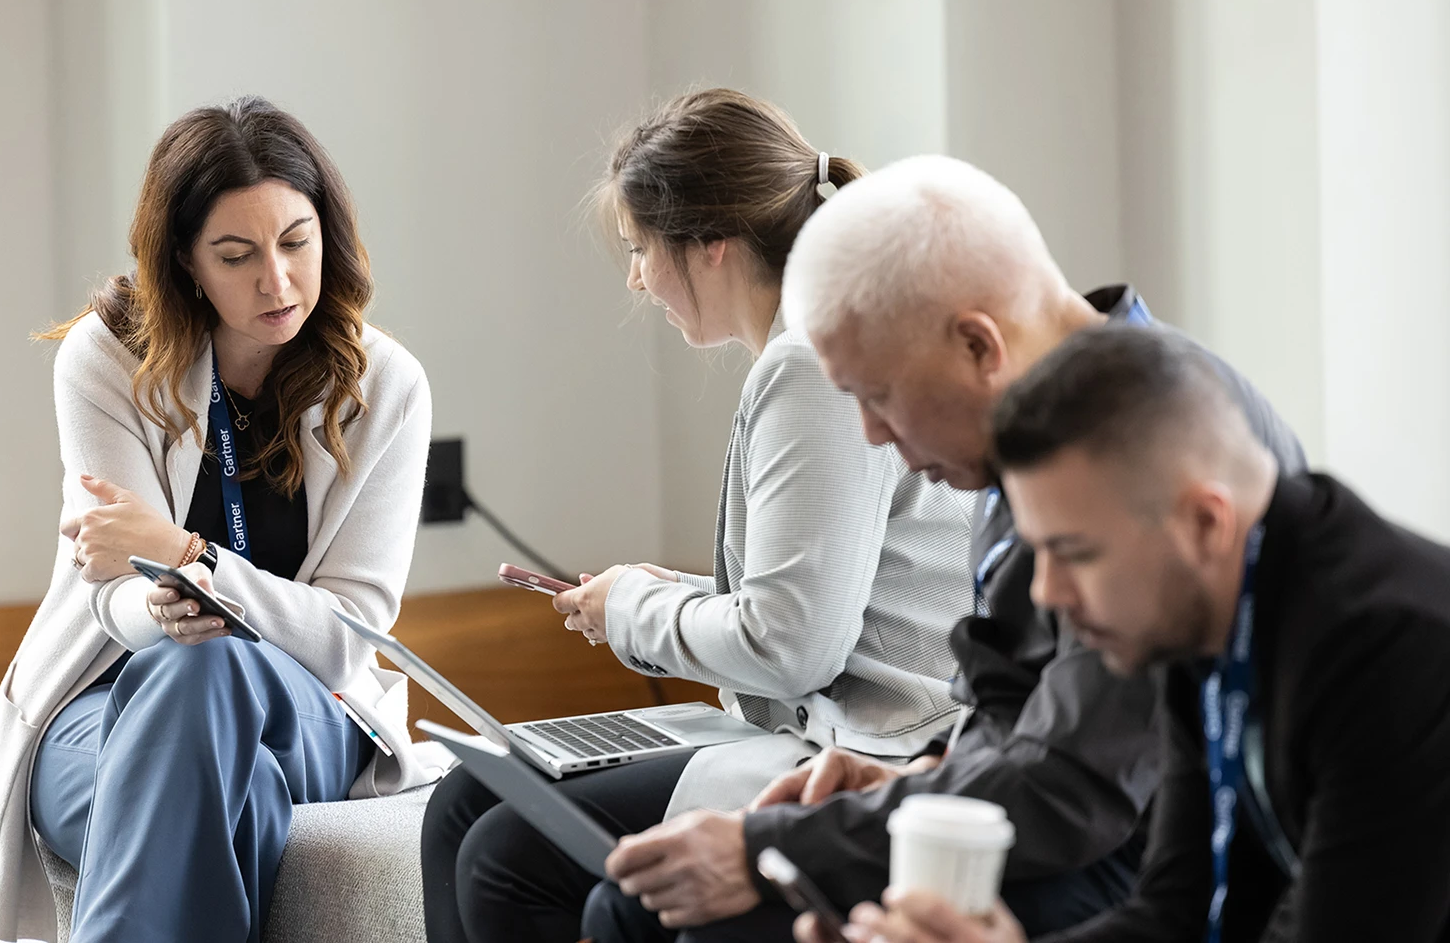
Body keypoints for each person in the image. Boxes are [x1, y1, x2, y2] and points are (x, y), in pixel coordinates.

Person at [586, 155, 1308, 942]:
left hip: (1152, 857)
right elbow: (1012, 711)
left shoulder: (1153, 441)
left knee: (686, 917)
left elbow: (1070, 789)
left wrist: (767, 843)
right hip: (1082, 814)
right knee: (642, 905)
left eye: (880, 396)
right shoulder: (1036, 424)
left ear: (977, 345)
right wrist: (922, 777)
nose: (872, 434)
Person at [420, 89, 978, 943]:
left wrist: (635, 615)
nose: (638, 278)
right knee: (469, 798)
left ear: (712, 245)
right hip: (835, 723)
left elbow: (790, 648)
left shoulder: (808, 366)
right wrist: (655, 589)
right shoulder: (813, 343)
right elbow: (822, 596)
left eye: (641, 250)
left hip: (875, 751)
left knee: (504, 853)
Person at [0, 96, 439, 943]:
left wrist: (192, 560)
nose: (278, 280)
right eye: (237, 255)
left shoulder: (388, 387)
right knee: (233, 786)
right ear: (185, 262)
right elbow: (106, 584)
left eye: (297, 242)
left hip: (309, 706)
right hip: (103, 696)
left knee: (211, 671)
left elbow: (349, 636)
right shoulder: (109, 355)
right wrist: (158, 605)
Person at [828, 325, 1450, 943]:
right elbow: (1176, 913)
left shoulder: (1394, 652)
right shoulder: (1203, 609)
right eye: (1038, 551)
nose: (1048, 593)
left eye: (1074, 552)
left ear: (1205, 523)